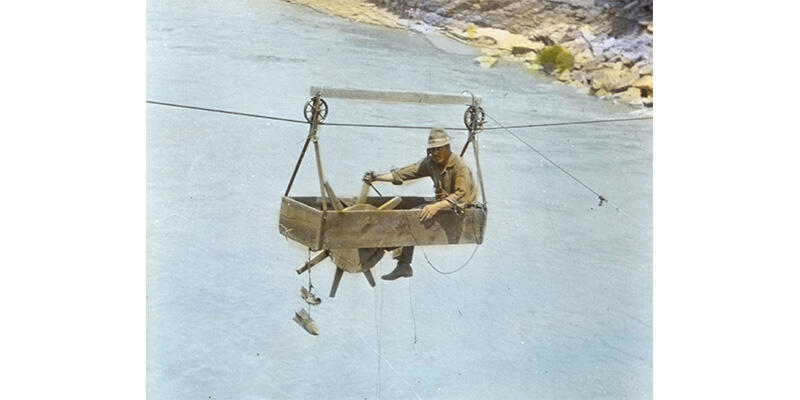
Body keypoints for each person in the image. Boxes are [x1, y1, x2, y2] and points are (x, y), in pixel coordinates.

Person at [363, 127, 478, 280]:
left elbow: (460, 195)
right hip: (443, 204)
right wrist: (377, 177)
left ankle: (395, 257)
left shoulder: (460, 167)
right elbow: (406, 173)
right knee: (407, 206)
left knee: (413, 217)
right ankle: (403, 264)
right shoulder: (431, 163)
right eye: (432, 150)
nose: (435, 153)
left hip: (459, 210)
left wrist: (436, 206)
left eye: (438, 149)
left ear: (447, 148)